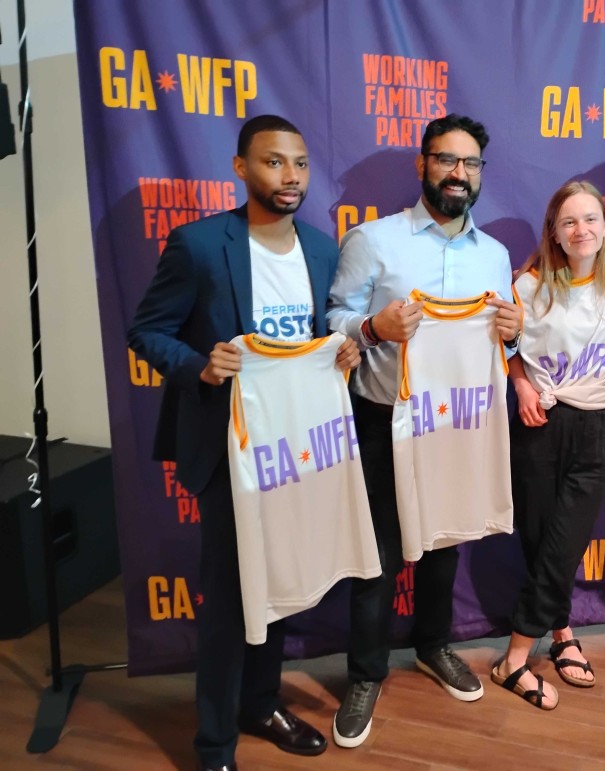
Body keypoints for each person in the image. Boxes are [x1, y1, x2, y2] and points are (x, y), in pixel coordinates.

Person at [129, 115, 357, 771]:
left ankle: (261, 703)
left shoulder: (321, 249)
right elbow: (146, 330)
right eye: (274, 162)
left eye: (300, 164)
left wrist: (339, 355)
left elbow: (319, 342)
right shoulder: (200, 245)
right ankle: (214, 746)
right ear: (240, 169)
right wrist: (198, 363)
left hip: (297, 451)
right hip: (228, 449)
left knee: (279, 582)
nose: (290, 177)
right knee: (230, 600)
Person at [326, 114, 522, 747]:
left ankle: (433, 645)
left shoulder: (494, 255)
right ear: (423, 165)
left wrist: (513, 334)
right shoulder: (374, 240)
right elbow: (333, 317)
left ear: (480, 174)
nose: (458, 173)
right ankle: (364, 674)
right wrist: (372, 329)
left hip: (455, 424)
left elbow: (497, 347)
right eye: (446, 160)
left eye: (469, 164)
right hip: (382, 417)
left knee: (443, 542)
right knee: (378, 555)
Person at [491, 180, 605, 709]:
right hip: (538, 422)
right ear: (554, 230)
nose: (581, 230)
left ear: (604, 226)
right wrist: (521, 385)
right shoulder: (526, 286)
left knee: (565, 543)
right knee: (541, 541)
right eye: (569, 221)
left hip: (594, 427)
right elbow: (505, 348)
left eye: (591, 218)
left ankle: (514, 657)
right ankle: (563, 630)